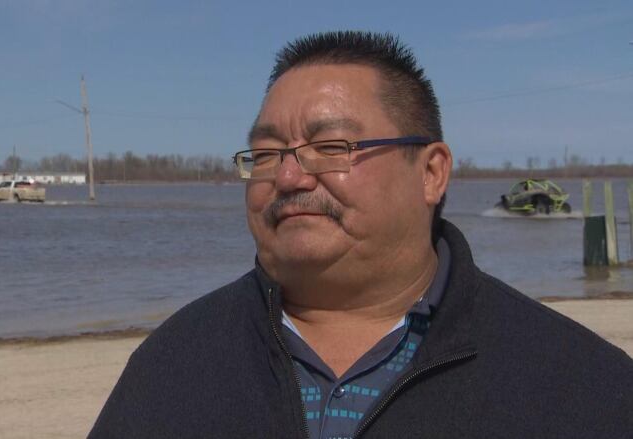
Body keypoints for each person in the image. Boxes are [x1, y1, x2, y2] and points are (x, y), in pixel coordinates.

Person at [88, 31, 632, 438]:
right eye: (267, 153)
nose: (288, 176)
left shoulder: (581, 386)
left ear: (431, 172)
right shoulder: (174, 364)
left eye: (332, 147)